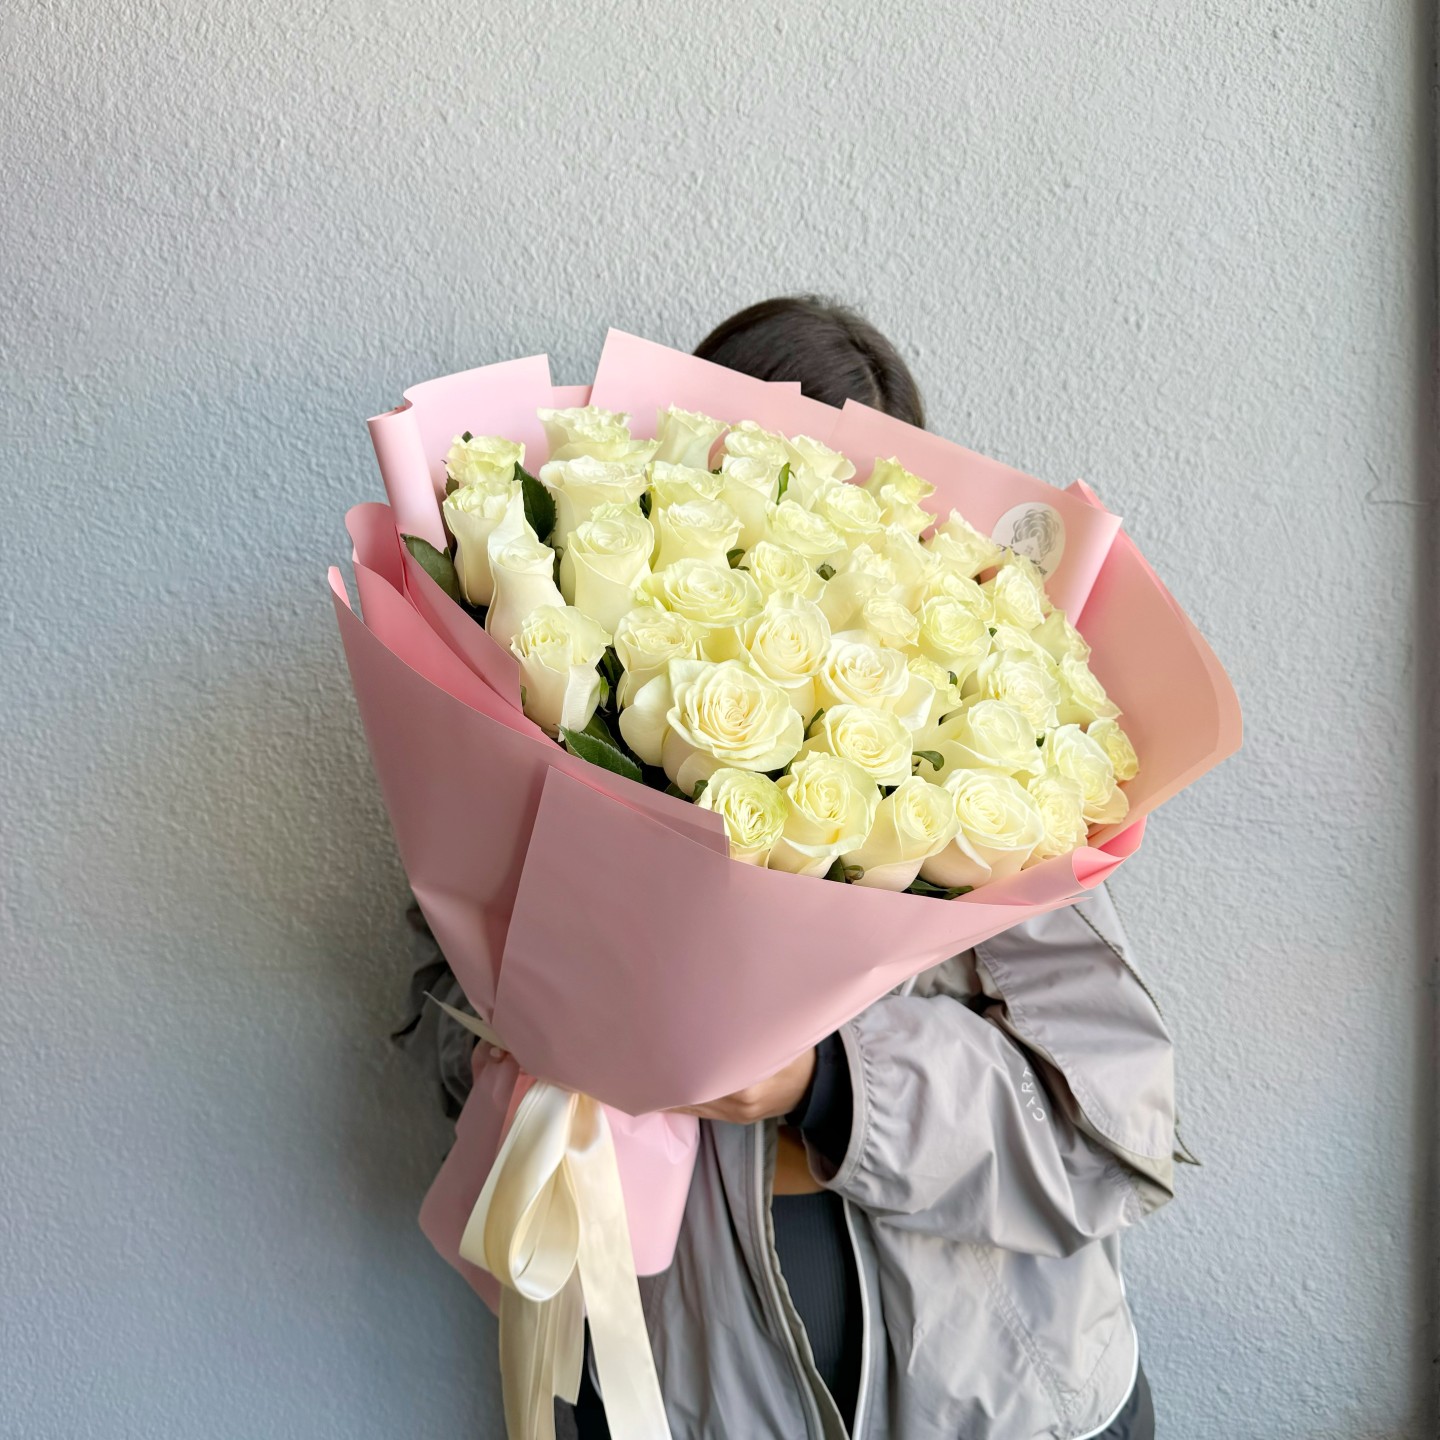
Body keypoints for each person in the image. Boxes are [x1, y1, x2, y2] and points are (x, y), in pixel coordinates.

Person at [397, 297, 1176, 1439]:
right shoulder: (552, 741)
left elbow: (1112, 1132)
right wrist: (550, 1032)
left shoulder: (994, 783)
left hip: (1012, 1405)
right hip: (681, 1389)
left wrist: (823, 1080)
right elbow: (437, 1013)